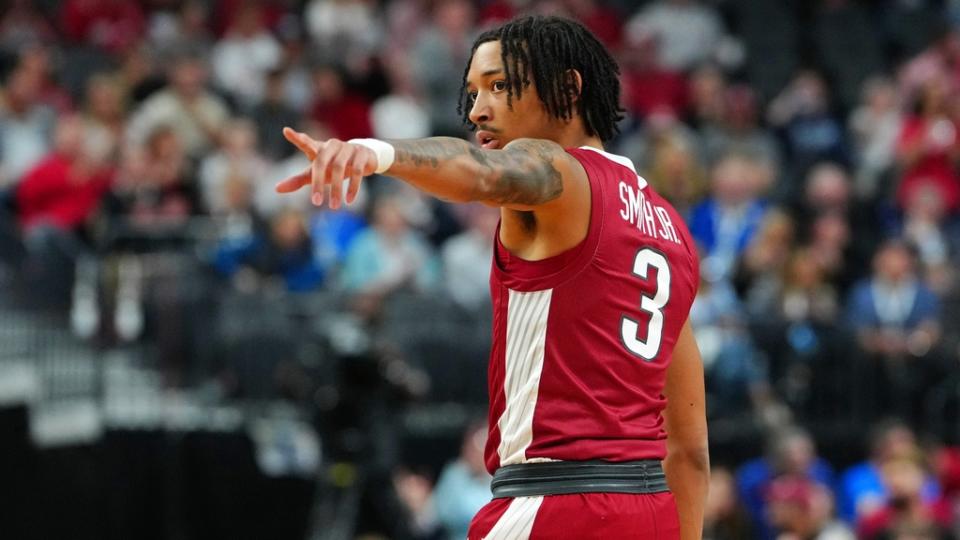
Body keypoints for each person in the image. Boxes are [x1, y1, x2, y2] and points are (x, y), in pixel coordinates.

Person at [277, 15, 708, 540]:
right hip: (650, 511)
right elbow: (689, 452)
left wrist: (376, 153)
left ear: (568, 88)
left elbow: (480, 171)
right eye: (473, 92)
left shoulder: (561, 172)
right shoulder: (673, 233)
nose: (478, 110)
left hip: (556, 503)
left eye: (500, 86)